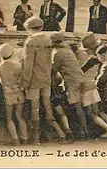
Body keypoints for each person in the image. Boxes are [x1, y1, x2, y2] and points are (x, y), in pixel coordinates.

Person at [21, 16, 65, 144]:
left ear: (30, 29)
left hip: (34, 79)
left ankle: (35, 138)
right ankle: (60, 134)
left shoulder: (30, 42)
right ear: (41, 27)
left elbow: (28, 65)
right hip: (46, 78)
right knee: (47, 107)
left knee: (35, 109)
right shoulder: (48, 40)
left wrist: (24, 83)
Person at [80, 33, 107, 138]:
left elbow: (103, 72)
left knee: (97, 110)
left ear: (91, 48)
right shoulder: (105, 50)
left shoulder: (100, 54)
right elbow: (87, 66)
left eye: (87, 50)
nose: (86, 52)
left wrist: (95, 83)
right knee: (101, 109)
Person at [50, 32, 90, 141]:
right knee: (82, 106)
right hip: (81, 78)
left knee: (77, 107)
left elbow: (53, 70)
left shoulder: (57, 53)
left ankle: (82, 132)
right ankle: (85, 130)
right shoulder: (67, 49)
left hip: (72, 82)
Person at [0, 43, 27, 145]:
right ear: (12, 54)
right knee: (19, 116)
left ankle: (15, 139)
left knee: (9, 118)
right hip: (19, 93)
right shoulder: (18, 66)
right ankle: (24, 138)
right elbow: (23, 80)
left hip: (7, 95)